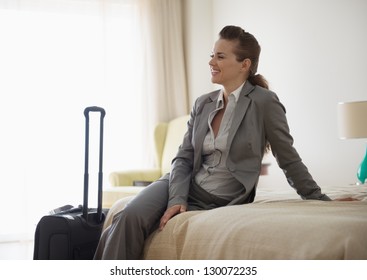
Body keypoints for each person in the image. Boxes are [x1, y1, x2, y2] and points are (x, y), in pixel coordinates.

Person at [94, 25, 331, 260]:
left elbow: (288, 157)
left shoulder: (264, 102)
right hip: (179, 183)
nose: (211, 62)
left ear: (244, 64)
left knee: (127, 225)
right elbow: (184, 158)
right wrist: (177, 199)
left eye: (220, 56)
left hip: (218, 198)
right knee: (128, 216)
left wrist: (318, 198)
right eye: (212, 55)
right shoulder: (203, 103)